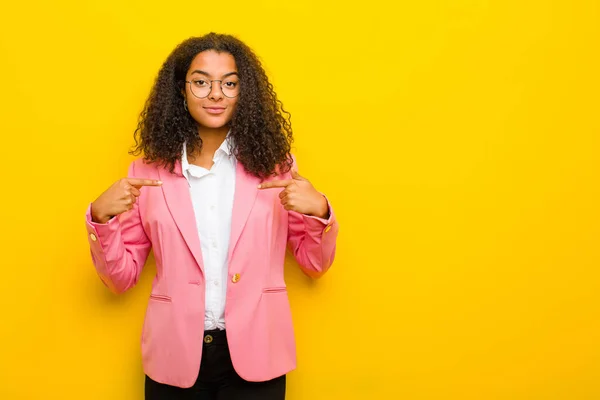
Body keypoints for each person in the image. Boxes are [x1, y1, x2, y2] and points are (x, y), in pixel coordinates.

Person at [84, 32, 339, 400]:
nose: (215, 94)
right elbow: (120, 280)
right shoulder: (146, 172)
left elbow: (315, 264)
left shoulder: (276, 168)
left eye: (229, 83)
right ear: (181, 90)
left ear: (243, 92)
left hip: (258, 353)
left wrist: (319, 211)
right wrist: (101, 221)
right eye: (201, 82)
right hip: (174, 357)